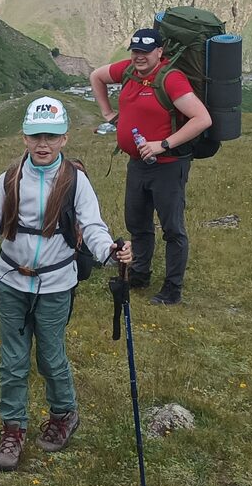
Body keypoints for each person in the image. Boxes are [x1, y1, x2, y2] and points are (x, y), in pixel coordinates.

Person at [0, 96, 131, 471]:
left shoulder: (76, 181)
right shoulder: (10, 178)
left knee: (51, 356)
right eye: (36, 135)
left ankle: (63, 415)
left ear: (64, 139)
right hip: (11, 280)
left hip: (56, 284)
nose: (43, 144)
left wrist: (111, 251)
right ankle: (13, 429)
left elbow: (92, 226)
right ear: (24, 137)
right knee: (12, 360)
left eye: (51, 137)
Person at [89, 27, 213, 306]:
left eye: (145, 52)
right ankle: (140, 273)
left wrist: (163, 144)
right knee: (137, 222)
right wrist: (108, 114)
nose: (139, 57)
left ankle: (172, 289)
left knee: (172, 228)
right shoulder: (130, 71)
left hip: (168, 165)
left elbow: (202, 119)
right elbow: (96, 76)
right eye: (135, 51)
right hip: (137, 164)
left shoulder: (171, 80)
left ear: (160, 52)